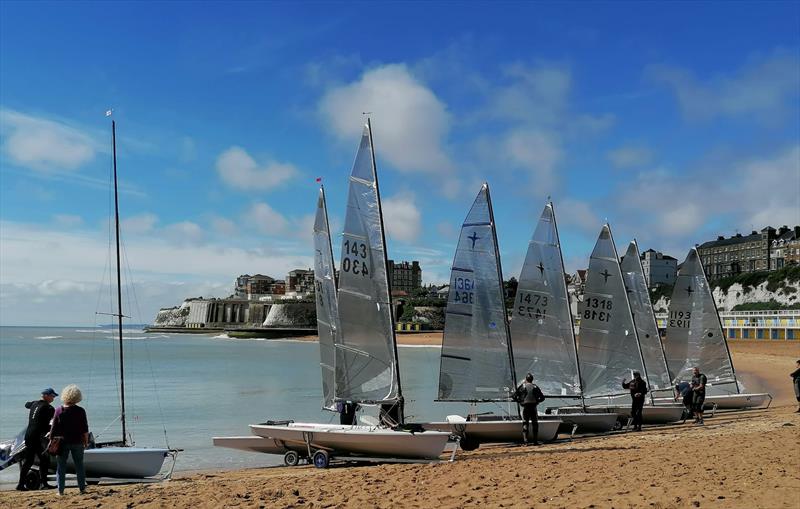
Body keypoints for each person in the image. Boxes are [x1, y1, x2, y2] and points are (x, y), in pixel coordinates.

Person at [49, 384, 89, 496]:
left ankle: (60, 491)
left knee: (61, 467)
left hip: (62, 443)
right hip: (77, 442)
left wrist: (51, 441)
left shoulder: (58, 410)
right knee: (79, 466)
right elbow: (84, 429)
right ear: (77, 397)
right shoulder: (81, 411)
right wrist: (86, 442)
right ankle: (82, 489)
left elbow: (53, 429)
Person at [16, 388, 58, 491]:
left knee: (29, 461)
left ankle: (21, 485)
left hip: (29, 435)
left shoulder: (34, 403)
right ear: (46, 395)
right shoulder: (49, 408)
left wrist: (35, 404)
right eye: (52, 396)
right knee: (44, 460)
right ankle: (44, 484)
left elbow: (27, 404)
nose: (53, 398)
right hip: (37, 437)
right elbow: (51, 425)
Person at [515, 373, 545, 445]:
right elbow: (543, 398)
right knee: (535, 424)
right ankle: (535, 441)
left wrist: (520, 402)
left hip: (526, 407)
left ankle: (526, 442)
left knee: (525, 423)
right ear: (532, 380)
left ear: (526, 379)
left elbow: (514, 396)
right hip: (533, 407)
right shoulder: (535, 387)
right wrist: (537, 402)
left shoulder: (522, 386)